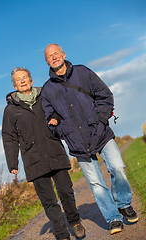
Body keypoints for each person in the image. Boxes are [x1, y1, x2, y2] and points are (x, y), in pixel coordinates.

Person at [41, 43, 139, 235]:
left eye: (56, 53)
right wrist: (59, 127)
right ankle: (113, 218)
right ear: (46, 61)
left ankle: (124, 204)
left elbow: (105, 95)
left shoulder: (83, 72)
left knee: (117, 168)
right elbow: (50, 118)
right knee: (96, 183)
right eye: (49, 56)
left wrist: (100, 119)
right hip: (77, 142)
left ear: (63, 54)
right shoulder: (47, 90)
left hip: (100, 132)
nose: (54, 57)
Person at [2, 67, 85, 240]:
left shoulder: (45, 95)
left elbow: (59, 110)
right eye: (18, 79)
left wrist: (55, 118)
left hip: (54, 150)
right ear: (14, 85)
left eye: (25, 77)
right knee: (49, 201)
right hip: (33, 159)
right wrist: (13, 164)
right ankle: (62, 234)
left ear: (31, 80)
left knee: (66, 191)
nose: (22, 81)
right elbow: (9, 137)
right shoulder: (10, 111)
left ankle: (75, 221)